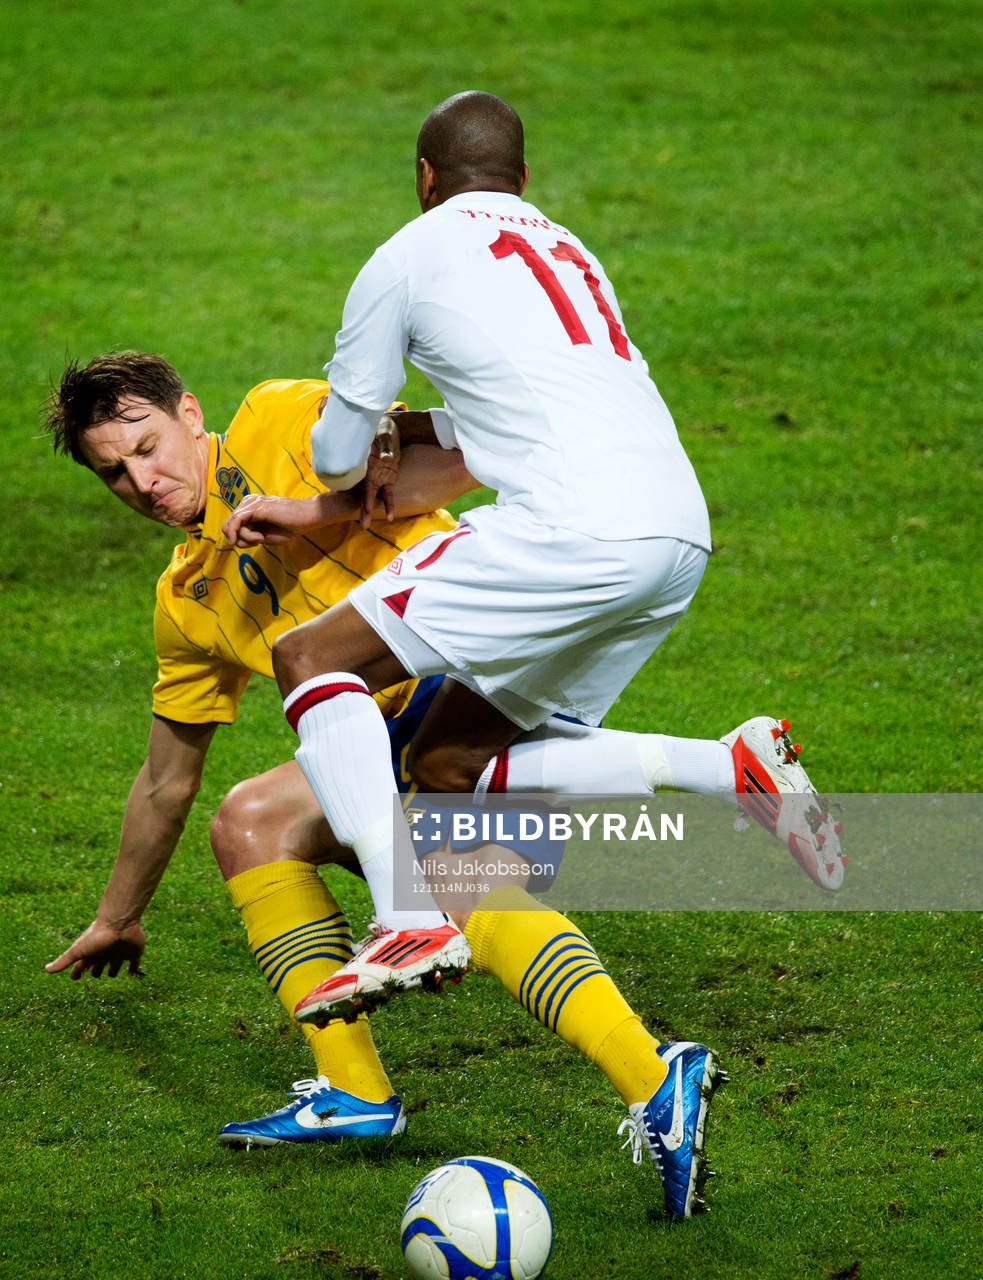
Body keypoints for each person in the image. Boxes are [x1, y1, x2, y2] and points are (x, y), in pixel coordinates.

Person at [262, 90, 842, 1218]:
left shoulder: (407, 252)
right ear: (516, 179)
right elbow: (487, 433)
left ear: (423, 176)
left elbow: (343, 439)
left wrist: (331, 475)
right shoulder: (566, 251)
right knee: (445, 763)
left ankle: (404, 908)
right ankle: (730, 769)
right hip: (674, 534)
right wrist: (337, 495)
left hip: (567, 530)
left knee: (311, 655)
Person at [44, 353, 735, 1218]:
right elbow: (164, 781)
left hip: (474, 660)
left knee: (448, 872)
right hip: (384, 734)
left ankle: (651, 1075)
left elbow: (452, 451)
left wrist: (316, 509)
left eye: (147, 447)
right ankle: (354, 1092)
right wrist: (117, 916)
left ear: (189, 414)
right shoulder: (186, 599)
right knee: (252, 819)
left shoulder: (275, 419)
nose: (142, 480)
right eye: (115, 472)